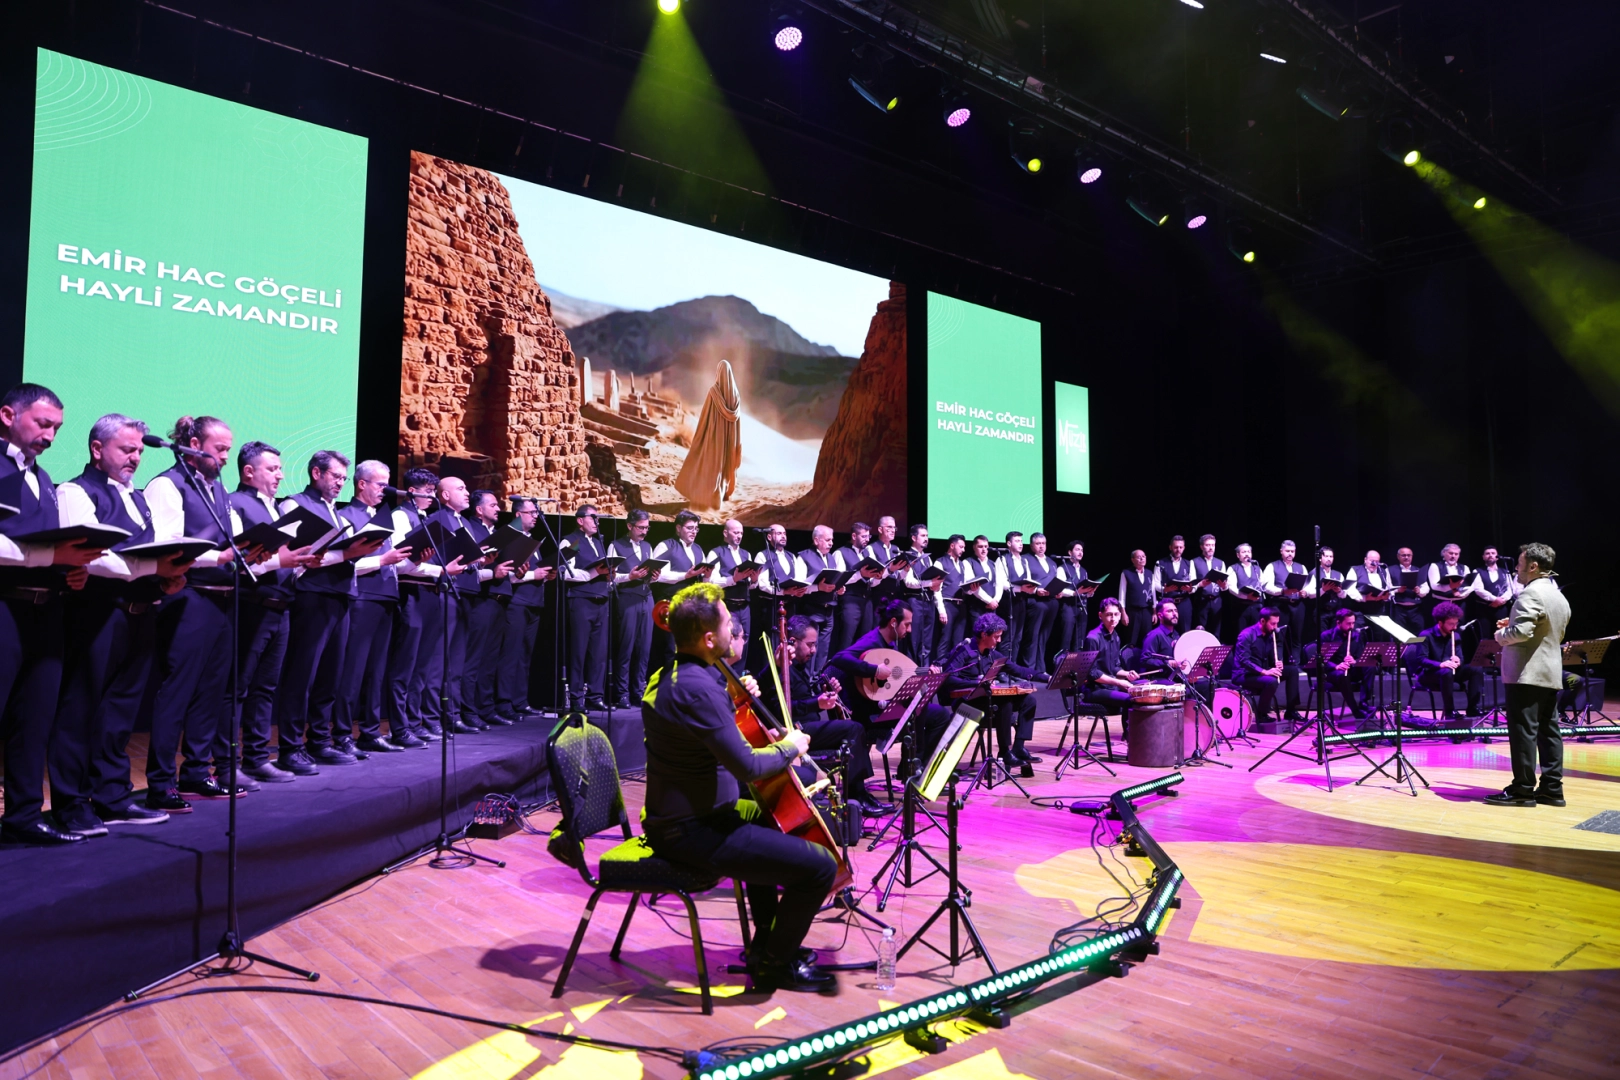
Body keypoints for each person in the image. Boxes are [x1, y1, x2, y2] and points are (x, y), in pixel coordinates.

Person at [640, 582, 838, 991]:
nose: (735, 630)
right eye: (730, 624)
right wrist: (789, 746)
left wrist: (731, 698)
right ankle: (776, 964)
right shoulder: (696, 689)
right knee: (820, 867)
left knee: (769, 819)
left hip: (693, 816)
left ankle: (766, 944)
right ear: (709, 638)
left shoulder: (680, 674)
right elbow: (748, 766)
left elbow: (705, 734)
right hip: (691, 831)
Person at [48, 414, 190, 835]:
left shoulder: (139, 496)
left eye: (140, 451)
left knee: (120, 712)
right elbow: (90, 553)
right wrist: (149, 566)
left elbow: (148, 549)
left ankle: (111, 796)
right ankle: (70, 803)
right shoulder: (75, 490)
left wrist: (169, 574)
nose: (135, 458)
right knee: (80, 708)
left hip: (141, 612)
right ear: (97, 449)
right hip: (97, 613)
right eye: (127, 449)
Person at [0, 383, 103, 844]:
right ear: (7, 415)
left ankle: (22, 815)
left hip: (45, 613)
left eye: (57, 428)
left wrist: (72, 573)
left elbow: (51, 548)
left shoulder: (43, 478)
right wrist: (51, 560)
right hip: (3, 609)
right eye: (43, 423)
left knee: (34, 719)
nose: (50, 435)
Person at [143, 416, 243, 806]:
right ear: (194, 443)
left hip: (221, 597)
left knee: (210, 691)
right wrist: (215, 556)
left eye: (227, 450)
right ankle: (160, 781)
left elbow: (232, 534)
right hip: (188, 596)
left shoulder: (217, 487)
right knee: (177, 690)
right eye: (219, 449)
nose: (224, 457)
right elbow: (167, 541)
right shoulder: (168, 484)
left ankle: (197, 772)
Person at [271, 450, 386, 769]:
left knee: (330, 675)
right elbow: (296, 554)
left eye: (343, 478)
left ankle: (320, 740)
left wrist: (353, 551)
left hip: (342, 595)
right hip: (311, 595)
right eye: (335, 476)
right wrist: (347, 552)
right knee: (302, 675)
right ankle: (290, 747)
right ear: (316, 473)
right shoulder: (294, 504)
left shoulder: (338, 511)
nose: (340, 483)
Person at [228, 442, 320, 772]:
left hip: (281, 606)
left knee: (265, 689)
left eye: (280, 468)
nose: (280, 475)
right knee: (237, 689)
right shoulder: (235, 503)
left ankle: (256, 758)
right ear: (249, 471)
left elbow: (282, 562)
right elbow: (236, 563)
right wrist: (278, 560)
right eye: (273, 469)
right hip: (251, 605)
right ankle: (228, 763)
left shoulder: (277, 508)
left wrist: (300, 563)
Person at [335, 461, 413, 753]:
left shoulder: (382, 517)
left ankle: (370, 732)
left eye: (386, 484)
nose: (385, 490)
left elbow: (394, 561)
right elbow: (346, 564)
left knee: (377, 671)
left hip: (386, 596)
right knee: (353, 670)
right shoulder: (346, 515)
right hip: (362, 598)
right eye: (380, 484)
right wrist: (382, 560)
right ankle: (343, 734)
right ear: (362, 484)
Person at [1486, 543, 1569, 807]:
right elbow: (1549, 632)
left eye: (1520, 564)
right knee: (1549, 731)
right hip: (1549, 672)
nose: (1516, 569)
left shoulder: (1529, 594)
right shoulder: (1558, 595)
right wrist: (1513, 625)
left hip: (1526, 675)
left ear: (1533, 566)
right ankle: (1551, 789)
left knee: (1523, 733)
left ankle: (1522, 790)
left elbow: (1522, 634)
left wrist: (1501, 635)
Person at [782, 616, 884, 811]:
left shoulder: (800, 666)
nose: (813, 650)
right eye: (810, 645)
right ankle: (856, 794)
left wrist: (825, 693)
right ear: (792, 641)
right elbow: (787, 707)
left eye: (815, 645)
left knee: (853, 728)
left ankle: (859, 793)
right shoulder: (783, 670)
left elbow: (806, 698)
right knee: (854, 728)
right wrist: (817, 703)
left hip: (809, 725)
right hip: (796, 729)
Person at [391, 467, 458, 745]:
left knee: (422, 665)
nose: (432, 497)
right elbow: (402, 563)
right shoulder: (400, 515)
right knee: (405, 665)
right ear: (412, 492)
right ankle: (400, 726)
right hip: (411, 593)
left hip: (430, 594)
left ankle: (416, 721)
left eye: (433, 491)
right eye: (428, 492)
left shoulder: (425, 517)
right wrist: (437, 569)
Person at [937, 613, 1041, 777]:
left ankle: (1018, 747)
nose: (999, 641)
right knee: (1005, 703)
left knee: (1029, 700)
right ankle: (1005, 752)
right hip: (967, 703)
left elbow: (1019, 670)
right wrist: (975, 683)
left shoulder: (992, 655)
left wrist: (1048, 677)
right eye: (996, 636)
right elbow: (948, 678)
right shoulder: (964, 652)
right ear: (984, 634)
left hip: (989, 702)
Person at [462, 489, 515, 727]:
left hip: (500, 599)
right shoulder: (471, 529)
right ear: (479, 509)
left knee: (491, 659)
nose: (498, 509)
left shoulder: (497, 533)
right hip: (481, 599)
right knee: (474, 659)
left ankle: (486, 707)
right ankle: (468, 710)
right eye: (493, 505)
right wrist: (493, 570)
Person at [497, 496, 554, 720]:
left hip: (534, 602)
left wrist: (547, 575)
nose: (536, 516)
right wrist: (533, 574)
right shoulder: (509, 538)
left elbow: (533, 571)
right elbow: (508, 576)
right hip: (517, 603)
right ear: (518, 514)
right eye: (532, 512)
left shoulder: (532, 540)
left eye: (537, 513)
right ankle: (504, 703)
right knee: (511, 654)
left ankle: (520, 701)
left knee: (525, 654)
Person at [560, 504, 612, 712]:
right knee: (579, 652)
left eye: (597, 518)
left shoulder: (599, 542)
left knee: (599, 653)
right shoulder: (571, 540)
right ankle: (575, 698)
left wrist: (609, 575)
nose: (596, 521)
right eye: (592, 517)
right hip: (581, 601)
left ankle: (596, 695)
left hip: (602, 600)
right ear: (580, 520)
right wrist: (594, 573)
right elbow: (565, 572)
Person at [673, 359, 742, 511]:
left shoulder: (713, 393)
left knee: (710, 468)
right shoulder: (735, 396)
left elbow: (705, 418)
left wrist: (700, 438)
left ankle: (707, 498)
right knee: (722, 469)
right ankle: (718, 498)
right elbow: (737, 424)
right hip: (728, 441)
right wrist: (735, 443)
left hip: (712, 439)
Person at [650, 509, 711, 674]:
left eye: (696, 528)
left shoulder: (698, 549)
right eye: (690, 528)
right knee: (670, 648)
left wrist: (707, 576)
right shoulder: (666, 545)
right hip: (670, 604)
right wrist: (685, 575)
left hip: (692, 607)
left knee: (690, 648)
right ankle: (666, 687)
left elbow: (701, 580)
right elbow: (657, 575)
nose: (694, 532)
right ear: (678, 528)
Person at [609, 509, 655, 709]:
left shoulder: (647, 546)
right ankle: (622, 693)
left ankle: (638, 692)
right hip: (627, 599)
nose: (644, 531)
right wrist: (630, 577)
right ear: (629, 526)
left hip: (647, 597)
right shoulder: (615, 545)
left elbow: (652, 573)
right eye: (641, 527)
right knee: (626, 648)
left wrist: (653, 576)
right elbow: (609, 578)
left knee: (644, 649)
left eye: (647, 527)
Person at [1412, 601, 1484, 722]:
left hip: (1449, 673)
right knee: (1446, 672)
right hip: (1429, 674)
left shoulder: (1455, 636)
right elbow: (1421, 660)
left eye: (1456, 623)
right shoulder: (1425, 635)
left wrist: (1458, 661)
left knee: (1476, 669)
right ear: (1440, 623)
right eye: (1451, 624)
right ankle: (1450, 711)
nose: (1455, 627)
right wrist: (1441, 664)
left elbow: (1461, 657)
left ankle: (1472, 708)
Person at [1234, 607, 1302, 727]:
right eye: (1273, 624)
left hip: (1262, 671)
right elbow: (1244, 661)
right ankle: (1261, 714)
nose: (1276, 627)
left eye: (1277, 623)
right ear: (1262, 621)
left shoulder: (1272, 635)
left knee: (1292, 671)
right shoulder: (1246, 635)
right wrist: (1264, 671)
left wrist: (1278, 662)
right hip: (1244, 674)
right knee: (1271, 681)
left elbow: (1275, 653)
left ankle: (1291, 710)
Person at [1140, 599, 1212, 702]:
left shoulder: (1177, 635)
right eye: (1170, 611)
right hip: (1160, 678)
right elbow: (1144, 660)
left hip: (1177, 677)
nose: (1174, 614)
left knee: (1207, 684)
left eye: (1176, 611)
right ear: (1160, 615)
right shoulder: (1154, 635)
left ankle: (1203, 717)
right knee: (1182, 690)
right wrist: (1168, 663)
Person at [789, 524, 835, 672]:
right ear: (816, 540)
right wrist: (818, 588)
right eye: (827, 540)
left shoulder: (831, 558)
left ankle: (818, 681)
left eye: (832, 540)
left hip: (829, 610)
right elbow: (799, 585)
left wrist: (839, 588)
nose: (831, 543)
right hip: (812, 609)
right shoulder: (804, 557)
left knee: (823, 651)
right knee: (809, 649)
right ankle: (806, 682)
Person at [1083, 599, 1139, 719]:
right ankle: (1128, 735)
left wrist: (1127, 673)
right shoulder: (1092, 638)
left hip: (1110, 686)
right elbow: (1092, 674)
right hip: (1095, 690)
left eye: (1116, 614)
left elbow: (1114, 667)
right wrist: (1119, 682)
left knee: (1141, 691)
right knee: (1130, 699)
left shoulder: (1116, 636)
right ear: (1100, 615)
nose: (1113, 618)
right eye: (1109, 614)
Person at [1260, 540, 1313, 663]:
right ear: (1281, 551)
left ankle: (1295, 666)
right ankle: (1278, 664)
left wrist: (1305, 592)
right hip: (1280, 605)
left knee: (1297, 637)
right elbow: (1266, 587)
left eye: (1292, 551)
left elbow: (1308, 584)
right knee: (1278, 636)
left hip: (1298, 605)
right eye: (1287, 551)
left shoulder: (1301, 567)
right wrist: (1283, 591)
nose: (1290, 554)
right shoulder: (1272, 566)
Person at [712, 518, 757, 654]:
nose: (739, 536)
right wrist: (733, 579)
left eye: (741, 533)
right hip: (727, 605)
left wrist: (754, 581)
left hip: (744, 606)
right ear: (725, 533)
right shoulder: (716, 552)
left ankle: (738, 674)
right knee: (727, 641)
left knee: (744, 641)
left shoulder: (746, 554)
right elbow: (711, 581)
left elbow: (751, 586)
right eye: (735, 532)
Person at [831, 522, 877, 655]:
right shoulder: (840, 553)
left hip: (867, 601)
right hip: (850, 601)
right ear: (853, 536)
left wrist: (879, 575)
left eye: (868, 536)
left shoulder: (868, 553)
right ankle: (838, 673)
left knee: (865, 641)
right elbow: (839, 580)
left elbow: (871, 581)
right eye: (863, 536)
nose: (867, 540)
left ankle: (859, 674)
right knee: (847, 640)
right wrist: (860, 574)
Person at [1316, 609, 1369, 722]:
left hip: (1351, 670)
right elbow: (1321, 660)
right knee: (1341, 675)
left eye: (1353, 623)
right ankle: (1355, 711)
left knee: (1370, 666)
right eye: (1348, 623)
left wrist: (1355, 661)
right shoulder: (1326, 636)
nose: (1351, 626)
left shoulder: (1356, 636)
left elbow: (1361, 657)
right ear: (1338, 622)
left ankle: (1364, 703)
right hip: (1332, 672)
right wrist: (1336, 666)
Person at [902, 524, 944, 667]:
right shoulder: (908, 556)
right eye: (923, 536)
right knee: (914, 640)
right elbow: (908, 582)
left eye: (927, 536)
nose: (926, 539)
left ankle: (924, 674)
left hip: (928, 601)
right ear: (914, 538)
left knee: (927, 641)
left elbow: (931, 581)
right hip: (914, 601)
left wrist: (936, 584)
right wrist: (929, 583)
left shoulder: (927, 559)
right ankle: (911, 674)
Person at [1019, 533, 1060, 674]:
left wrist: (1059, 591)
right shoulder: (1025, 559)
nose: (1041, 546)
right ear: (1031, 545)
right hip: (1036, 602)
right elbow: (1024, 580)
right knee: (1032, 637)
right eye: (1038, 543)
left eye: (1043, 543)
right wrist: (1036, 590)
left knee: (1044, 638)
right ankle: (1029, 670)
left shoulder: (1052, 562)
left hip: (1052, 602)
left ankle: (1040, 669)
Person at [996, 530, 1033, 665]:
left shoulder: (1025, 561)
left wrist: (1030, 588)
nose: (1021, 544)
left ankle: (1013, 667)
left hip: (1021, 600)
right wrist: (1020, 588)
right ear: (1009, 543)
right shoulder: (1002, 559)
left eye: (1021, 541)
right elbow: (1002, 583)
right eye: (1017, 541)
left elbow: (1028, 579)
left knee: (1018, 637)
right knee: (1007, 637)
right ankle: (1002, 669)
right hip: (1008, 601)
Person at [1466, 545, 1519, 630]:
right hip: (1484, 608)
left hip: (1501, 608)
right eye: (1487, 553)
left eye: (1493, 553)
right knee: (1485, 635)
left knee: (1502, 633)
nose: (1490, 555)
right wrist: (1494, 599)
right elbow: (1478, 589)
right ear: (1483, 557)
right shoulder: (1477, 571)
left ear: (1497, 557)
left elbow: (1510, 589)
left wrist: (1502, 600)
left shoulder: (1505, 571)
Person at [1053, 540, 1090, 656]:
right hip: (1068, 606)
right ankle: (1062, 666)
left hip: (1082, 606)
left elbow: (1084, 590)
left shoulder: (1084, 571)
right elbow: (1059, 589)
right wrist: (1074, 593)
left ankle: (1076, 669)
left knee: (1080, 640)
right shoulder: (1062, 568)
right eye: (1077, 549)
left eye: (1082, 550)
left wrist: (1090, 592)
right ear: (1070, 552)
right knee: (1066, 638)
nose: (1080, 552)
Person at [935, 533, 971, 655]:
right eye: (961, 547)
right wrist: (941, 611)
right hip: (947, 604)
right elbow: (936, 589)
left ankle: (955, 670)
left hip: (961, 606)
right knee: (945, 640)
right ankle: (939, 669)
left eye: (964, 547)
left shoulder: (962, 564)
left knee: (958, 642)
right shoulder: (940, 562)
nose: (963, 550)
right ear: (952, 545)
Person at [1346, 550, 1394, 638]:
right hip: (1360, 611)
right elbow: (1350, 589)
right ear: (1365, 559)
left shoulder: (1384, 572)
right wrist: (1364, 598)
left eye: (1377, 561)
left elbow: (1389, 587)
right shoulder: (1355, 570)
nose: (1374, 563)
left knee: (1378, 636)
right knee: (1360, 636)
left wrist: (1386, 596)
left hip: (1378, 611)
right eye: (1371, 561)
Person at [1152, 535, 1196, 633]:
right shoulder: (1160, 563)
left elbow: (1194, 585)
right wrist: (1165, 589)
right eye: (1176, 547)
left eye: (1181, 547)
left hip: (1184, 602)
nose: (1178, 550)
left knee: (1185, 631)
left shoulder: (1189, 563)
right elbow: (1155, 583)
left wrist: (1190, 589)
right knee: (1166, 630)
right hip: (1167, 602)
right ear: (1170, 547)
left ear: (1184, 548)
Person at [1224, 542, 1265, 638]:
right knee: (1242, 634)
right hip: (1240, 608)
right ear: (1238, 555)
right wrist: (1246, 596)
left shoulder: (1257, 568)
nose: (1247, 554)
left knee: (1257, 634)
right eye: (1243, 552)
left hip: (1256, 607)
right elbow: (1232, 588)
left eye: (1249, 552)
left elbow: (1262, 584)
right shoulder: (1233, 568)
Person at [1388, 547, 1430, 637]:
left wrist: (1419, 591)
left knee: (1418, 634)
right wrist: (1397, 590)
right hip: (1399, 609)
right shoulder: (1390, 570)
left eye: (1409, 555)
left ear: (1412, 556)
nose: (1406, 557)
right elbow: (1387, 587)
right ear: (1398, 557)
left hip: (1416, 609)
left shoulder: (1418, 570)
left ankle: (1416, 651)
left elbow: (1426, 588)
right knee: (1398, 635)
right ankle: (1401, 651)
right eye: (1403, 555)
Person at [1118, 549, 1155, 650]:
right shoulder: (1126, 573)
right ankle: (1129, 662)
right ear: (1132, 560)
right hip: (1132, 611)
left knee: (1147, 639)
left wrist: (1154, 612)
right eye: (1139, 557)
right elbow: (1122, 594)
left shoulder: (1149, 573)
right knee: (1131, 639)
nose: (1142, 558)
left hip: (1147, 611)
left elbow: (1153, 594)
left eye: (1143, 556)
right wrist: (1123, 613)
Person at [1190, 534, 1225, 637]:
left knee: (1216, 630)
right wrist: (1200, 584)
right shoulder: (1194, 562)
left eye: (1213, 545)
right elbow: (1192, 583)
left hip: (1216, 600)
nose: (1211, 548)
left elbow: (1224, 587)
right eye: (1208, 545)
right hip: (1201, 600)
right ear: (1201, 546)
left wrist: (1224, 586)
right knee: (1201, 630)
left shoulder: (1220, 562)